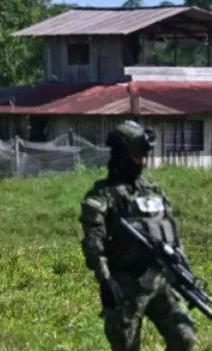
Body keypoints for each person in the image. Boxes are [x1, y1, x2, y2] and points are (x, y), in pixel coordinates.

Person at [79, 120, 196, 351]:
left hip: (161, 280)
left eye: (144, 155)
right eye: (137, 156)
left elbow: (171, 231)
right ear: (122, 156)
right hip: (125, 284)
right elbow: (93, 241)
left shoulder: (153, 191)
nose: (143, 162)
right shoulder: (103, 196)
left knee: (185, 338)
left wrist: (183, 268)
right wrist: (106, 280)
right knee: (126, 346)